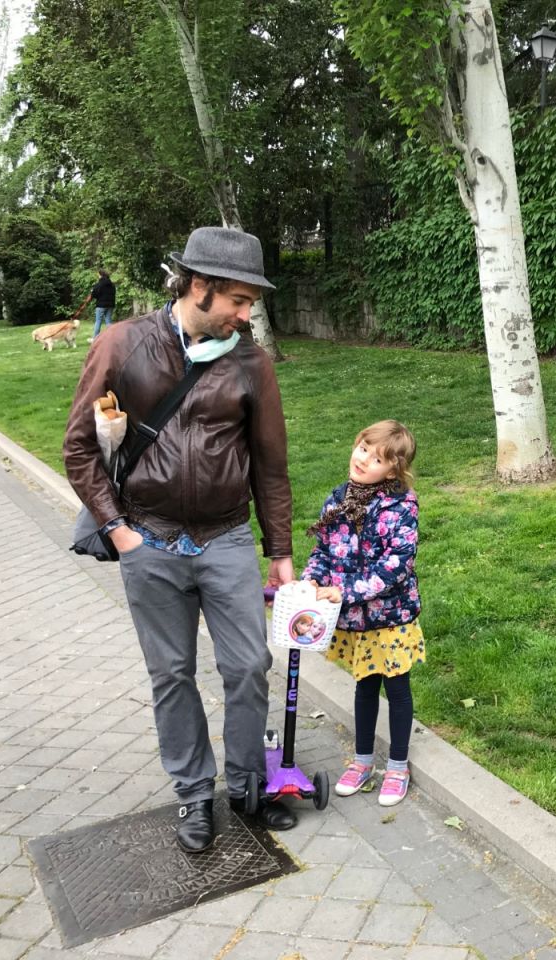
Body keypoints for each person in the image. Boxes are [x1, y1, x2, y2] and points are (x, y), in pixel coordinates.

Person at [63, 227, 297, 853]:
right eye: (239, 302)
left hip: (225, 540)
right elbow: (79, 448)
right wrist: (119, 532)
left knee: (249, 665)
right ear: (200, 286)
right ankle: (194, 793)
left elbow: (270, 467)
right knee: (172, 673)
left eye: (250, 305)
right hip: (150, 539)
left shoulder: (250, 361)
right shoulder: (123, 343)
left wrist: (279, 553)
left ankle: (249, 786)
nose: (246, 316)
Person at [302, 420, 422, 807]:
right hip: (355, 620)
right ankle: (363, 760)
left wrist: (347, 592)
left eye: (377, 458)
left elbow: (396, 565)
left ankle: (399, 765)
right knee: (365, 686)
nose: (364, 460)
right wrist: (310, 583)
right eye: (362, 449)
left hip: (392, 617)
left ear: (393, 470)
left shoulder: (400, 506)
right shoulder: (338, 499)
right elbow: (323, 552)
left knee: (397, 687)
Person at [90, 269, 116, 338]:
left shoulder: (99, 284)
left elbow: (94, 294)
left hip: (101, 305)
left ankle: (95, 338)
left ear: (101, 275)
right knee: (108, 321)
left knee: (98, 322)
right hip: (110, 305)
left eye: (98, 275)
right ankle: (111, 337)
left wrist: (92, 291)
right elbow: (113, 294)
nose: (98, 276)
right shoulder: (112, 284)